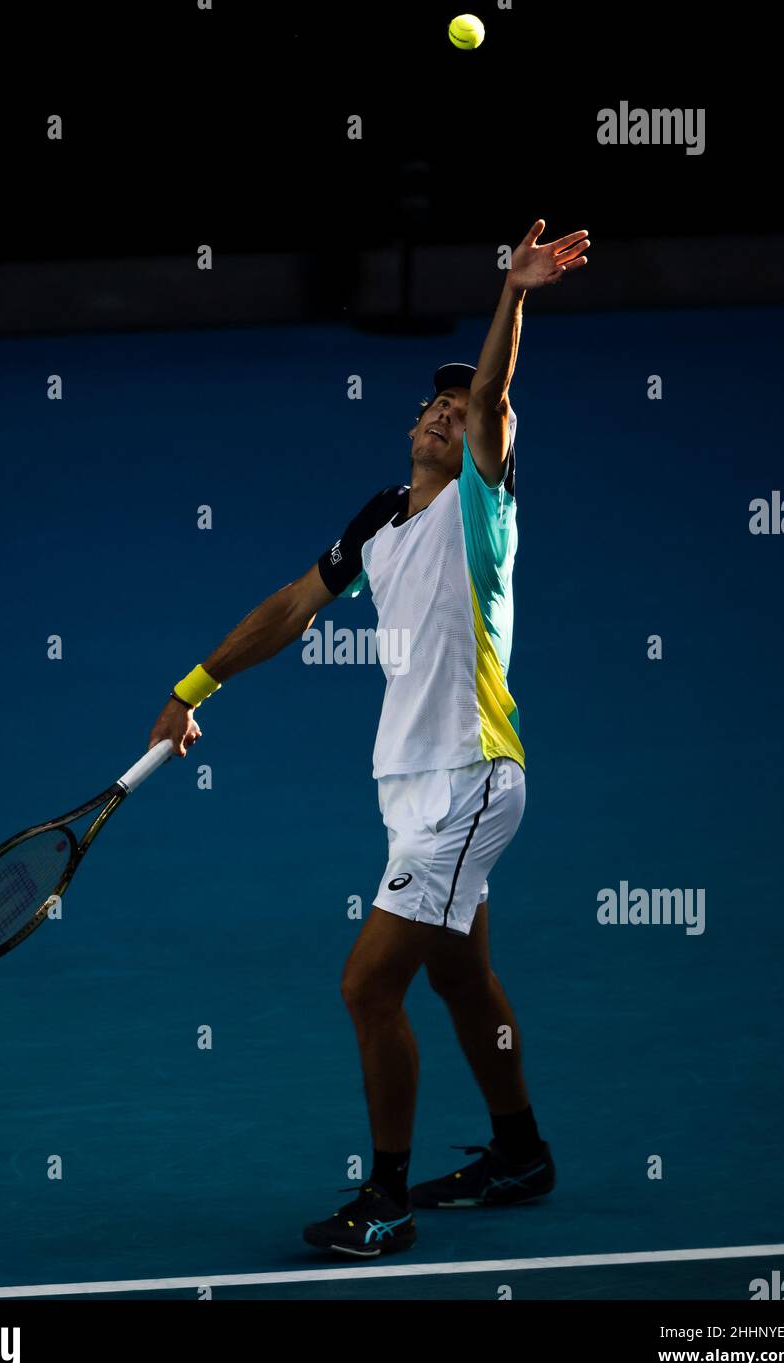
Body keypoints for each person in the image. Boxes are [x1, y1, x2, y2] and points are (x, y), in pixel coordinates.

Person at [148, 218, 589, 1257]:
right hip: (409, 789)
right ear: (406, 429)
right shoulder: (382, 518)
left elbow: (490, 397)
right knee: (458, 977)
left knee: (366, 985)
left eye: (458, 404)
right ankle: (518, 1150)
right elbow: (295, 607)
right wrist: (194, 681)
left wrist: (512, 294)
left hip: (471, 779)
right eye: (431, 402)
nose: (446, 409)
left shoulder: (483, 504)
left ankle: (383, 1199)